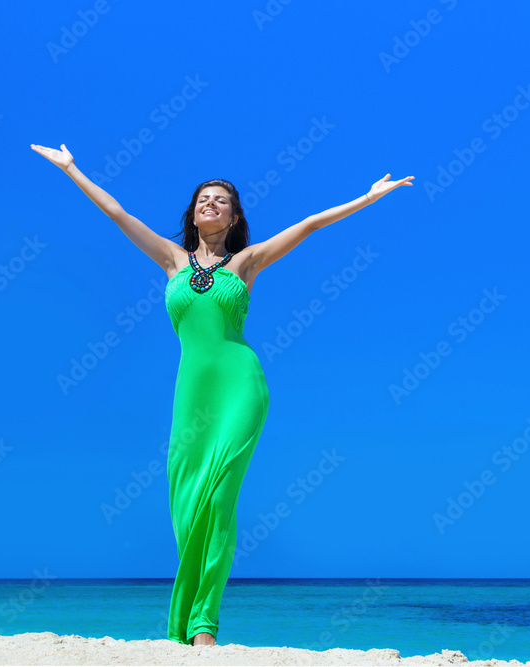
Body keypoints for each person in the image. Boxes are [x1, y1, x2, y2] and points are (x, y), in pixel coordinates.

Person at [31, 142, 413, 646]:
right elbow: (117, 213)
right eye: (203, 199)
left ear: (234, 217)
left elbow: (310, 224)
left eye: (221, 200)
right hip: (192, 397)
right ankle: (184, 620)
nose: (209, 204)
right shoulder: (172, 260)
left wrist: (366, 198)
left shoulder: (246, 264)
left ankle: (204, 625)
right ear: (192, 213)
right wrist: (71, 169)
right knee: (187, 500)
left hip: (240, 386)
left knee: (221, 495)